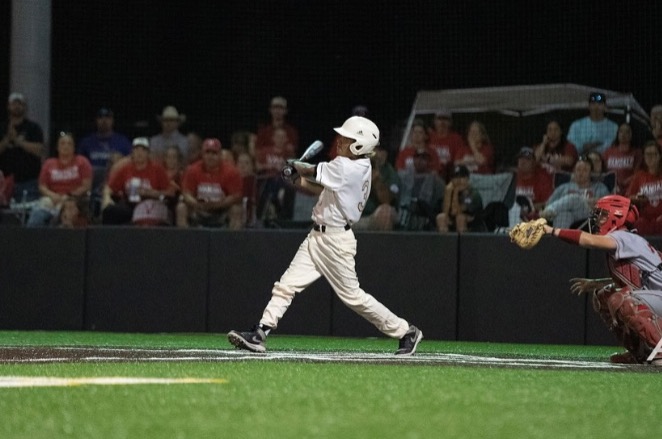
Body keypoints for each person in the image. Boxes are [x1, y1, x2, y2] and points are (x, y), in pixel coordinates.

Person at [227, 115, 423, 356]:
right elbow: (322, 187)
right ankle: (260, 333)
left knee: (354, 297)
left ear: (359, 145)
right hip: (317, 236)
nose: (340, 141)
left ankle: (406, 331)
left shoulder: (349, 167)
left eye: (347, 138)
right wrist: (297, 179)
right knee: (286, 285)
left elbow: (313, 169)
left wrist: (296, 166)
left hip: (335, 242)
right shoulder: (354, 165)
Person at [541, 195, 662, 365]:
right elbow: (638, 282)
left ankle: (660, 350)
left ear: (616, 216)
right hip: (657, 297)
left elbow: (588, 240)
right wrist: (598, 283)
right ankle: (641, 353)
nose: (597, 220)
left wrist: (551, 230)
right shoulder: (628, 239)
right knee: (603, 295)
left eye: (602, 215)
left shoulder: (623, 237)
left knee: (622, 300)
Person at [26, 132, 93, 227]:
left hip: (74, 200)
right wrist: (53, 196)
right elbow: (42, 186)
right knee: (38, 212)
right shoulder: (49, 163)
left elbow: (86, 186)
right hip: (52, 198)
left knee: (67, 209)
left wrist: (68, 196)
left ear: (74, 148)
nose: (66, 146)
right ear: (57, 147)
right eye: (62, 143)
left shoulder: (82, 162)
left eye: (69, 144)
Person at [102, 137, 172, 225]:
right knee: (109, 211)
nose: (139, 153)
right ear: (132, 152)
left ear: (148, 153)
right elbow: (109, 188)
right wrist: (107, 198)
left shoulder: (157, 169)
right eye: (136, 149)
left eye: (143, 150)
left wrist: (150, 193)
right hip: (130, 206)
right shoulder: (125, 169)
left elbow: (170, 193)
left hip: (151, 205)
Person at [175, 138, 243, 228]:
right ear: (202, 154)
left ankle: (233, 237)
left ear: (220, 155)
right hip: (199, 208)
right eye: (207, 153)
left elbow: (236, 196)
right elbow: (186, 194)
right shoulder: (192, 170)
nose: (210, 156)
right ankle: (184, 236)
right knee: (181, 208)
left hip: (222, 209)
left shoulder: (231, 172)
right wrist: (197, 204)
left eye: (214, 153)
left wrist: (218, 205)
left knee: (236, 210)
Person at [539, 157, 610, 229]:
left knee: (575, 198)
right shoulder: (563, 187)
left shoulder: (599, 187)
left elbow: (608, 205)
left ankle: (550, 211)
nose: (581, 173)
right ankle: (558, 236)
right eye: (578, 169)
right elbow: (549, 203)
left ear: (591, 173)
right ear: (574, 172)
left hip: (587, 214)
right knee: (564, 215)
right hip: (566, 214)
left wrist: (593, 201)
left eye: (585, 170)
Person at [0, 92, 45, 201]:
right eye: (14, 104)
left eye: (19, 104)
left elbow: (39, 150)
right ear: (8, 106)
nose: (17, 106)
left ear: (24, 107)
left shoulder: (33, 127)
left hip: (29, 182)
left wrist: (17, 141)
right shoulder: (2, 128)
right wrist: (7, 139)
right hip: (3, 181)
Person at [354, 143, 400, 231]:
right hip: (351, 217)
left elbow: (387, 201)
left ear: (384, 154)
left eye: (375, 150)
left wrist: (377, 182)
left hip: (372, 216)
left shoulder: (390, 173)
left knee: (385, 211)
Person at [398, 150, 445, 231]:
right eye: (417, 157)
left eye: (423, 158)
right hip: (404, 213)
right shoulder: (402, 177)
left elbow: (438, 205)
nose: (419, 161)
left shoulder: (437, 182)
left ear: (429, 161)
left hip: (426, 216)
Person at [77, 107, 131, 173]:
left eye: (107, 117)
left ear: (112, 120)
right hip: (92, 177)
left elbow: (132, 162)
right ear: (96, 120)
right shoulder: (86, 143)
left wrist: (122, 160)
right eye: (100, 117)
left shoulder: (123, 142)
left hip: (116, 176)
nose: (104, 120)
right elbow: (79, 164)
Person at [625, 140, 662, 235]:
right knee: (639, 224)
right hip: (645, 219)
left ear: (659, 156)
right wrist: (637, 198)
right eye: (647, 154)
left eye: (654, 154)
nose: (650, 157)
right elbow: (628, 197)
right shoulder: (639, 176)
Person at [436, 164, 483, 233]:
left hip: (473, 223)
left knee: (460, 218)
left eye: (462, 177)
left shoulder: (473, 193)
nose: (459, 181)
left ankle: (464, 240)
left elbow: (457, 211)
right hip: (454, 219)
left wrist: (455, 192)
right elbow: (445, 211)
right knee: (441, 217)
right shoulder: (449, 190)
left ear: (467, 179)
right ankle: (444, 239)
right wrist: (448, 194)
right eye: (455, 178)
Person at [514, 147, 554, 220]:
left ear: (534, 163)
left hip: (535, 219)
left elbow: (548, 203)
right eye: (521, 158)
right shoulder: (512, 178)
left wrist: (528, 208)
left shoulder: (543, 179)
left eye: (527, 159)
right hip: (513, 216)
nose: (523, 161)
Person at [603, 123, 641, 195]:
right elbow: (603, 172)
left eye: (627, 132)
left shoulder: (637, 153)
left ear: (632, 134)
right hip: (610, 189)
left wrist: (626, 181)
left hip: (629, 190)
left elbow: (638, 173)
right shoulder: (608, 152)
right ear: (617, 134)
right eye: (621, 131)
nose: (623, 134)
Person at [427, 109, 465, 180]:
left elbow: (458, 161)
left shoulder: (456, 139)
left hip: (448, 175)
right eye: (439, 119)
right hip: (429, 173)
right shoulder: (428, 137)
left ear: (450, 122)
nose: (442, 122)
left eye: (445, 119)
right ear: (434, 121)